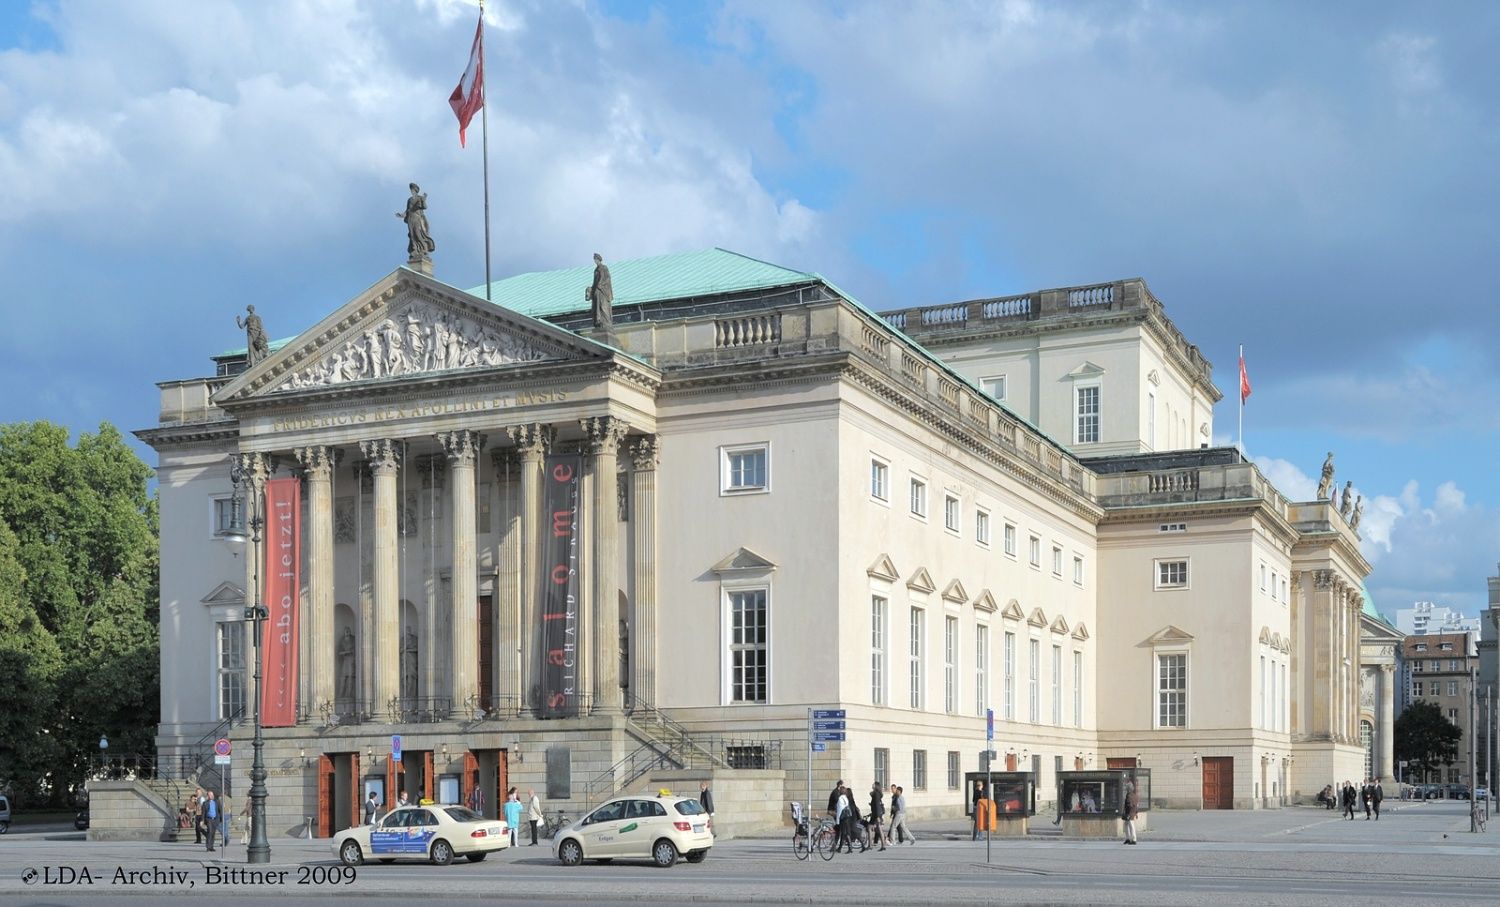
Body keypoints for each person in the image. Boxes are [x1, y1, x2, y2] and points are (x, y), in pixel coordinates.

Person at [396, 183, 435, 264]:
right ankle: (414, 250)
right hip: (410, 218)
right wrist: (402, 215)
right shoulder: (409, 199)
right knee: (412, 235)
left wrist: (423, 199)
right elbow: (407, 210)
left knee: (418, 234)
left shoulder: (420, 198)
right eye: (411, 190)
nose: (412, 191)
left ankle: (424, 249)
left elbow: (424, 207)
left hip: (417, 218)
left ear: (416, 190)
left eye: (413, 190)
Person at [868, 782, 886, 851]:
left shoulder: (876, 794)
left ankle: (870, 845)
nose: (872, 785)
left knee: (870, 828)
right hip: (876, 814)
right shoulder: (876, 794)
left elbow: (877, 805)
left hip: (876, 815)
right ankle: (883, 845)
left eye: (873, 784)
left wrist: (878, 816)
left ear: (876, 786)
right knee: (879, 829)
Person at [1122, 778, 1140, 845]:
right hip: (1132, 813)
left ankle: (1133, 839)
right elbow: (1137, 805)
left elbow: (1129, 805)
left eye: (1126, 788)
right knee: (1126, 825)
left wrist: (1128, 812)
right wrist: (1136, 812)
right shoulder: (1134, 795)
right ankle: (1128, 838)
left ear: (1128, 789)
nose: (1126, 789)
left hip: (1129, 813)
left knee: (1131, 826)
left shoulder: (1129, 795)